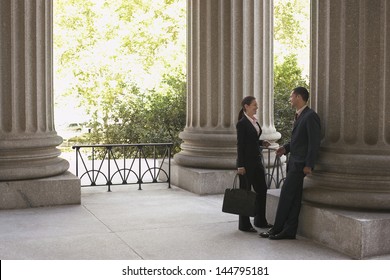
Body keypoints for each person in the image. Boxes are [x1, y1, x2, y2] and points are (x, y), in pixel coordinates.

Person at [260, 86, 321, 240]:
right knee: (294, 198)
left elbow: (314, 143)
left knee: (286, 195)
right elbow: (299, 141)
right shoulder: (300, 115)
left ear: (299, 97)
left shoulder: (310, 116)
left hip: (300, 165)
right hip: (294, 162)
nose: (290, 99)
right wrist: (285, 148)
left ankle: (276, 229)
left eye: (291, 96)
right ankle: (289, 230)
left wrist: (309, 164)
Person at [236, 96, 273, 233]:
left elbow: (252, 140)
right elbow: (240, 145)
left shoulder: (254, 122)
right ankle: (244, 225)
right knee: (245, 193)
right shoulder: (242, 123)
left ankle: (260, 220)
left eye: (256, 105)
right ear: (246, 106)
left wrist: (261, 142)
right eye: (254, 105)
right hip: (245, 165)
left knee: (262, 190)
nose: (256, 107)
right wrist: (240, 166)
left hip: (257, 162)